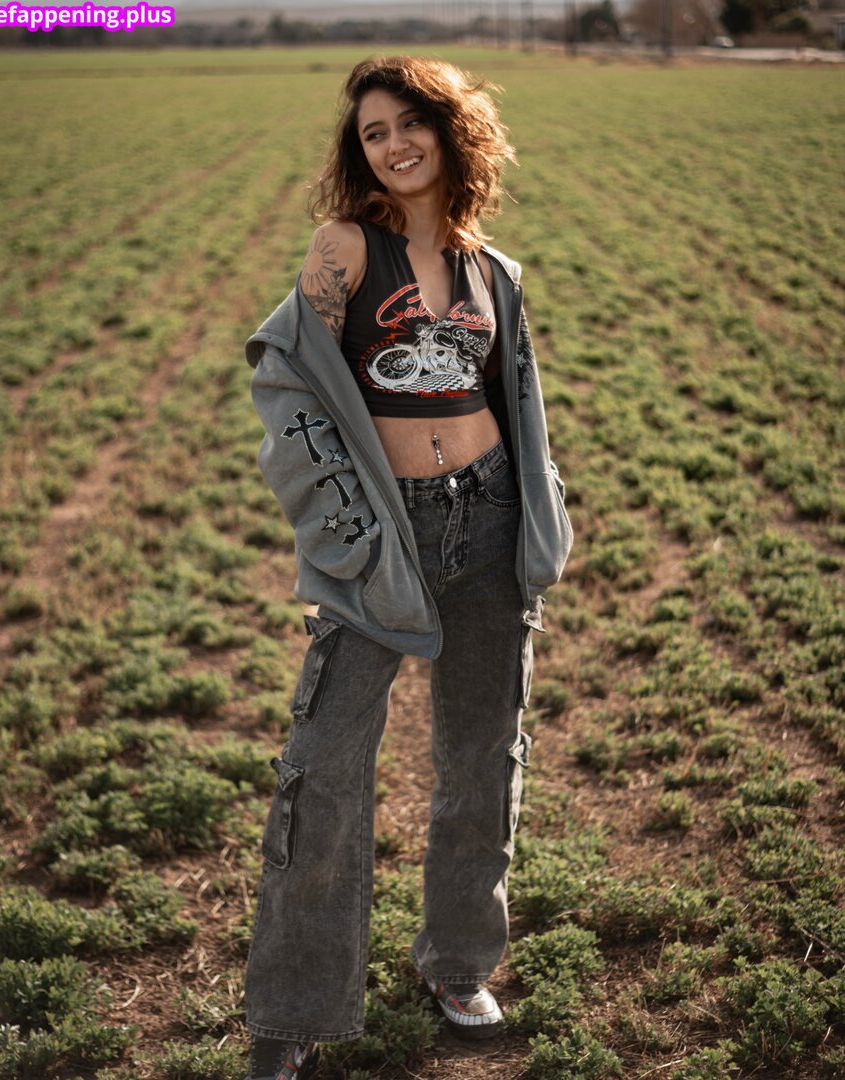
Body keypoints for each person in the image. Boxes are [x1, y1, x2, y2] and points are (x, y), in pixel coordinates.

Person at [242, 56, 574, 1080]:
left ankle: (458, 963)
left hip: (487, 526)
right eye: (372, 133)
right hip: (383, 535)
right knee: (325, 769)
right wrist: (339, 525)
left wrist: (539, 513)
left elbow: (516, 403)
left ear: (449, 131)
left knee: (482, 758)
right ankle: (294, 1010)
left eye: (408, 124)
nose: (392, 145)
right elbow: (287, 387)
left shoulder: (494, 271)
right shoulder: (343, 249)